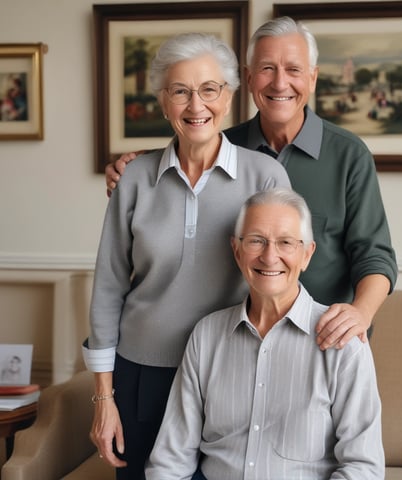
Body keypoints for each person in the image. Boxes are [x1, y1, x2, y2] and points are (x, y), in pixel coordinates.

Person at [105, 17, 398, 351]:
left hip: (324, 343)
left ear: (313, 78)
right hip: (236, 347)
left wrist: (360, 313)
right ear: (247, 78)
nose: (279, 83)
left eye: (294, 69)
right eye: (267, 69)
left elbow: (375, 256)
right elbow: (180, 159)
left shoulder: (349, 154)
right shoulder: (223, 145)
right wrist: (136, 163)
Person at [82, 32, 290, 480]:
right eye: (180, 91)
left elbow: (283, 277)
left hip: (231, 372)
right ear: (163, 101)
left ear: (230, 97)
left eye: (209, 90)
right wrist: (104, 399)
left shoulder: (266, 176)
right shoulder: (135, 177)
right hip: (141, 374)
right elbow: (108, 286)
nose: (196, 106)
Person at [146, 187, 384, 480]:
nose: (270, 257)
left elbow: (363, 468)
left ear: (307, 254)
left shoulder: (343, 341)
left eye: (286, 242)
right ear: (236, 250)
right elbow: (170, 461)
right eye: (256, 241)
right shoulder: (206, 336)